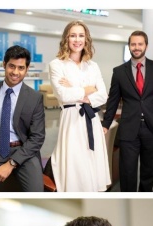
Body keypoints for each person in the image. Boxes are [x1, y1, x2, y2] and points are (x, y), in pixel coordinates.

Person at [47, 20, 110, 192]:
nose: (77, 39)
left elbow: (103, 95)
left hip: (92, 119)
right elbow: (63, 95)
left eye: (81, 35)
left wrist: (76, 91)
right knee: (74, 163)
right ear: (66, 39)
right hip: (71, 119)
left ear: (86, 39)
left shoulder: (93, 66)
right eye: (73, 35)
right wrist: (88, 90)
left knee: (91, 160)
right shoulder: (56, 64)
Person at [102, 31, 153, 192]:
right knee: (127, 171)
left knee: (149, 171)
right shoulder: (119, 72)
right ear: (129, 46)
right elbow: (113, 100)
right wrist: (105, 124)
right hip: (129, 128)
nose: (136, 47)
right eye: (133, 44)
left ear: (146, 46)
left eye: (140, 44)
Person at [0, 45, 46, 192]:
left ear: (27, 69)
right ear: (4, 65)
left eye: (21, 68)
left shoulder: (34, 98)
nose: (15, 72)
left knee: (36, 193)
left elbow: (37, 137)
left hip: (24, 150)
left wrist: (11, 164)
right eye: (11, 66)